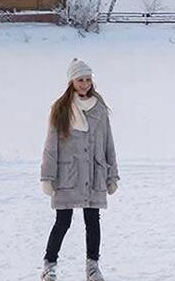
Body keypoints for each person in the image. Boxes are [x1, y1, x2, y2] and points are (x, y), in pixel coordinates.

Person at [40, 59, 119, 281]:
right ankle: (49, 265)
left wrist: (112, 174)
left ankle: (92, 267)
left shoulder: (100, 108)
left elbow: (108, 143)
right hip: (68, 174)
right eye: (80, 80)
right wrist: (48, 176)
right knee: (62, 221)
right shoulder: (61, 108)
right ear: (71, 81)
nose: (85, 84)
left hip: (94, 173)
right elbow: (50, 144)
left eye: (87, 79)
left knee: (93, 221)